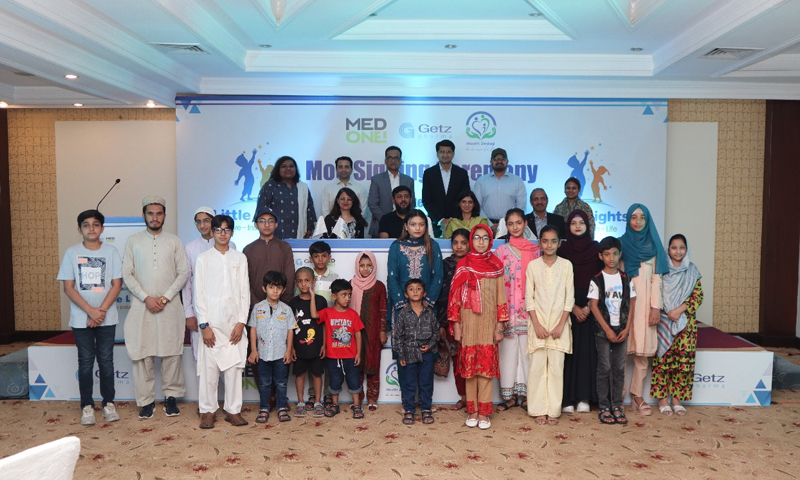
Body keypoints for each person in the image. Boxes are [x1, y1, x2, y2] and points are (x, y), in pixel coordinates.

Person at [122, 196, 189, 419]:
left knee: (171, 352)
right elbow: (127, 274)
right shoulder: (133, 241)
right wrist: (146, 298)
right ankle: (146, 401)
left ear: (164, 216)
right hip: (142, 306)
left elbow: (183, 273)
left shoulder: (174, 241)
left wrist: (165, 298)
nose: (155, 217)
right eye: (150, 213)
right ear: (144, 215)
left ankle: (171, 397)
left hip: (170, 306)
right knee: (143, 353)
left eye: (159, 213)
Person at [57, 209, 122, 426]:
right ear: (79, 229)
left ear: (102, 228)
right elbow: (68, 287)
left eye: (95, 225)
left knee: (106, 361)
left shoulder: (111, 252)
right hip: (81, 319)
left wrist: (99, 311)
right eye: (86, 225)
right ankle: (86, 405)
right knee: (85, 362)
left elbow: (117, 285)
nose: (91, 229)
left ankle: (108, 403)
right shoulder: (72, 253)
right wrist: (90, 311)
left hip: (107, 318)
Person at [448, 225, 508, 430]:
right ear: (471, 241)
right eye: (477, 238)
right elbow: (455, 298)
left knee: (486, 369)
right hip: (468, 323)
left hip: (488, 324)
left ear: (490, 241)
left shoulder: (496, 265)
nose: (481, 242)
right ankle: (472, 411)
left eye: (485, 238)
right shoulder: (463, 265)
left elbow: (501, 298)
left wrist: (500, 326)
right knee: (469, 370)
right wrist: (456, 325)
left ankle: (484, 412)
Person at [193, 215, 249, 429]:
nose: (222, 233)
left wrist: (241, 322)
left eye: (226, 230)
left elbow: (244, 292)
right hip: (212, 325)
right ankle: (207, 411)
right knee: (209, 371)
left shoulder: (240, 258)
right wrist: (204, 325)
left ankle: (233, 411)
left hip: (234, 324)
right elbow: (199, 294)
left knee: (234, 370)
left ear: (232, 233)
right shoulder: (203, 258)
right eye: (218, 229)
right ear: (212, 232)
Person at [619, 203, 670, 416]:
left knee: (642, 354)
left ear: (647, 220)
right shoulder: (621, 244)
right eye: (633, 217)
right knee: (620, 352)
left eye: (641, 217)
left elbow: (657, 280)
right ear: (628, 220)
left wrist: (655, 307)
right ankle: (618, 396)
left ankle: (637, 395)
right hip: (623, 306)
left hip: (646, 307)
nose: (637, 221)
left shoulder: (653, 247)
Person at [387, 209, 443, 398]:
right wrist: (401, 303)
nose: (417, 228)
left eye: (421, 224)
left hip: (426, 308)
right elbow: (392, 278)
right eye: (413, 224)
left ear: (426, 227)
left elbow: (438, 277)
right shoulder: (396, 247)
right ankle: (408, 402)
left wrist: (427, 302)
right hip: (402, 308)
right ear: (406, 226)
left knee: (426, 354)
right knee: (405, 353)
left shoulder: (432, 246)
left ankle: (425, 402)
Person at [524, 225, 574, 426]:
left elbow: (569, 298)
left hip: (559, 326)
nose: (549, 245)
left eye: (553, 241)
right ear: (539, 243)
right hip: (538, 324)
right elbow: (529, 298)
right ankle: (538, 409)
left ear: (559, 243)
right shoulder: (533, 266)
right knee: (537, 368)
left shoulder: (566, 265)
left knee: (556, 369)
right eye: (545, 241)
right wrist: (536, 324)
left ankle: (553, 410)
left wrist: (561, 325)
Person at [243, 206, 295, 392]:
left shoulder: (284, 247)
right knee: (257, 351)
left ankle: (279, 396)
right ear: (256, 224)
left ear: (276, 224)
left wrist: (282, 303)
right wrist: (255, 304)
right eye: (262, 221)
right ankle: (266, 396)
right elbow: (245, 280)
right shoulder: (248, 249)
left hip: (281, 307)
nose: (266, 224)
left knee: (282, 351)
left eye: (270, 221)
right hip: (256, 308)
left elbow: (289, 275)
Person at [650, 234, 703, 416]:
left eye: (682, 247)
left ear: (686, 249)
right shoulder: (662, 269)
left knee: (683, 364)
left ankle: (676, 400)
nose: (678, 251)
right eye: (674, 247)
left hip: (685, 323)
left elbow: (698, 296)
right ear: (668, 249)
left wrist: (679, 310)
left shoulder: (692, 270)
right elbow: (655, 293)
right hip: (664, 321)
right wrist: (667, 312)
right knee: (663, 362)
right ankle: (662, 400)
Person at [493, 208, 540, 411]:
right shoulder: (501, 252)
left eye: (518, 223)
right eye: (510, 224)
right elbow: (497, 283)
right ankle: (509, 396)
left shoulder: (536, 251)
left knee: (528, 353)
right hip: (508, 309)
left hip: (529, 310)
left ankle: (528, 395)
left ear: (525, 224)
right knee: (507, 353)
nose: (515, 227)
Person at [558, 210, 603, 415]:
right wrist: (573, 307)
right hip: (566, 306)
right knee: (568, 352)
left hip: (591, 306)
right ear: (568, 226)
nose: (577, 226)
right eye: (573, 222)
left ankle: (584, 397)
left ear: (588, 225)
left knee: (587, 352)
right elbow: (557, 283)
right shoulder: (562, 250)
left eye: (581, 222)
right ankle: (567, 398)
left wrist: (588, 307)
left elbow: (601, 280)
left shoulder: (596, 249)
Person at [588, 236, 635, 425]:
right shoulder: (597, 280)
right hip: (603, 332)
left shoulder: (626, 279)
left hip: (622, 330)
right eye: (607, 254)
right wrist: (607, 329)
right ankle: (604, 406)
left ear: (620, 255)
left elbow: (632, 304)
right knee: (605, 367)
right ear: (601, 256)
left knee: (618, 368)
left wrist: (627, 328)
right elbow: (593, 306)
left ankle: (617, 405)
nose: (611, 258)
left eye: (615, 254)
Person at [182, 207, 237, 363]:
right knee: (202, 359)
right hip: (200, 312)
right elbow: (187, 283)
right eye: (198, 222)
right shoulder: (190, 248)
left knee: (226, 359)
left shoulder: (231, 245)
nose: (202, 225)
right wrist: (189, 314)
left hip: (225, 312)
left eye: (206, 220)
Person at [248, 271, 296, 424]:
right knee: (264, 383)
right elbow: (253, 329)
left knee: (281, 382)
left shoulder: (286, 309)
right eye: (271, 287)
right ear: (264, 288)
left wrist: (289, 350)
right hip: (262, 354)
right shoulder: (257, 308)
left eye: (279, 288)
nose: (275, 291)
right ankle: (264, 408)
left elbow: (290, 330)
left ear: (283, 290)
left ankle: (282, 407)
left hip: (280, 354)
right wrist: (254, 350)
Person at [394, 279, 439, 425]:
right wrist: (401, 354)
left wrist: (430, 346)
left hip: (426, 354)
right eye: (411, 289)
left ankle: (426, 408)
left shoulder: (429, 313)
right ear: (406, 294)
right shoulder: (403, 314)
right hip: (408, 353)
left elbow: (436, 333)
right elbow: (398, 336)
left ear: (424, 293)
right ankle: (409, 409)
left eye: (418, 289)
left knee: (426, 382)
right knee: (409, 383)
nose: (415, 291)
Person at [319, 279, 365, 419]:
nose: (348, 298)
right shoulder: (327, 312)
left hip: (350, 356)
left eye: (349, 295)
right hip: (333, 356)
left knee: (354, 380)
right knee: (334, 380)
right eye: (344, 295)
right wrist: (311, 294)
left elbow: (358, 334)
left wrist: (358, 353)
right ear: (334, 296)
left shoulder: (353, 314)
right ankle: (335, 404)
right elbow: (315, 315)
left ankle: (356, 405)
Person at [434, 228, 470, 410]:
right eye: (455, 243)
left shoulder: (474, 263)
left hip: (472, 320)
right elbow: (440, 295)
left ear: (470, 244)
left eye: (463, 242)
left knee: (472, 360)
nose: (459, 246)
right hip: (450, 320)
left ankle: (474, 399)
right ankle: (463, 397)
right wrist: (441, 322)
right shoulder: (445, 265)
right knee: (457, 360)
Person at [350, 251, 387, 411]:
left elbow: (383, 310)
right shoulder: (351, 284)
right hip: (354, 332)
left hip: (373, 331)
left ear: (374, 266)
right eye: (362, 265)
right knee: (356, 363)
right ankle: (357, 398)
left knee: (373, 363)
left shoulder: (379, 286)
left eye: (369, 266)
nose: (365, 269)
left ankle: (372, 398)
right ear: (357, 266)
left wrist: (383, 331)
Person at [289, 267, 327, 418]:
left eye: (307, 280)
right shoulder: (293, 303)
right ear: (295, 283)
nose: (304, 284)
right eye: (300, 281)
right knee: (300, 375)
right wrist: (291, 348)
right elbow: (290, 327)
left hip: (316, 347)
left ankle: (318, 402)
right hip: (299, 348)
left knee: (317, 375)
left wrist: (324, 344)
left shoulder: (321, 301)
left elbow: (324, 325)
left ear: (314, 281)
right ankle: (300, 402)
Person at [306, 240, 338, 407]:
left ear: (329, 257)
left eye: (324, 256)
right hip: (311, 325)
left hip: (330, 324)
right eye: (316, 256)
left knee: (329, 360)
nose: (320, 259)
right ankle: (313, 393)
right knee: (313, 358)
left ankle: (328, 394)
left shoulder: (335, 278)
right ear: (311, 259)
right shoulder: (306, 277)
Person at [255, 155, 316, 239]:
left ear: (296, 169)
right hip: (275, 236)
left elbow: (310, 211)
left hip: (299, 236)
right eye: (284, 166)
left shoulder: (303, 187)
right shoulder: (270, 186)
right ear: (278, 169)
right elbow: (261, 211)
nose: (288, 169)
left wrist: (309, 231)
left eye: (291, 166)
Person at [422, 139, 471, 238]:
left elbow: (465, 198)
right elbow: (426, 200)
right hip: (435, 223)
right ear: (437, 153)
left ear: (453, 154)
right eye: (442, 152)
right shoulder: (429, 173)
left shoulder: (462, 173)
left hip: (458, 222)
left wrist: (453, 219)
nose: (445, 155)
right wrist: (440, 219)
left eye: (448, 152)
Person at [472, 148, 528, 230]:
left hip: (510, 227)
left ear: (507, 161)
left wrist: (507, 225)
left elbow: (521, 206)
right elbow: (477, 206)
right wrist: (489, 224)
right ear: (491, 162)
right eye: (496, 159)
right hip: (486, 226)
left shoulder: (517, 181)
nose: (499, 161)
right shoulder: (481, 181)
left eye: (502, 159)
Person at [368, 146, 415, 238]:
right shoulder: (376, 179)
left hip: (405, 226)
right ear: (385, 160)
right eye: (390, 158)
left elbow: (412, 202)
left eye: (396, 158)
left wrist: (404, 220)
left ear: (400, 161)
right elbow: (373, 204)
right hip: (381, 225)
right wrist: (386, 221)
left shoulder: (409, 180)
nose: (393, 161)